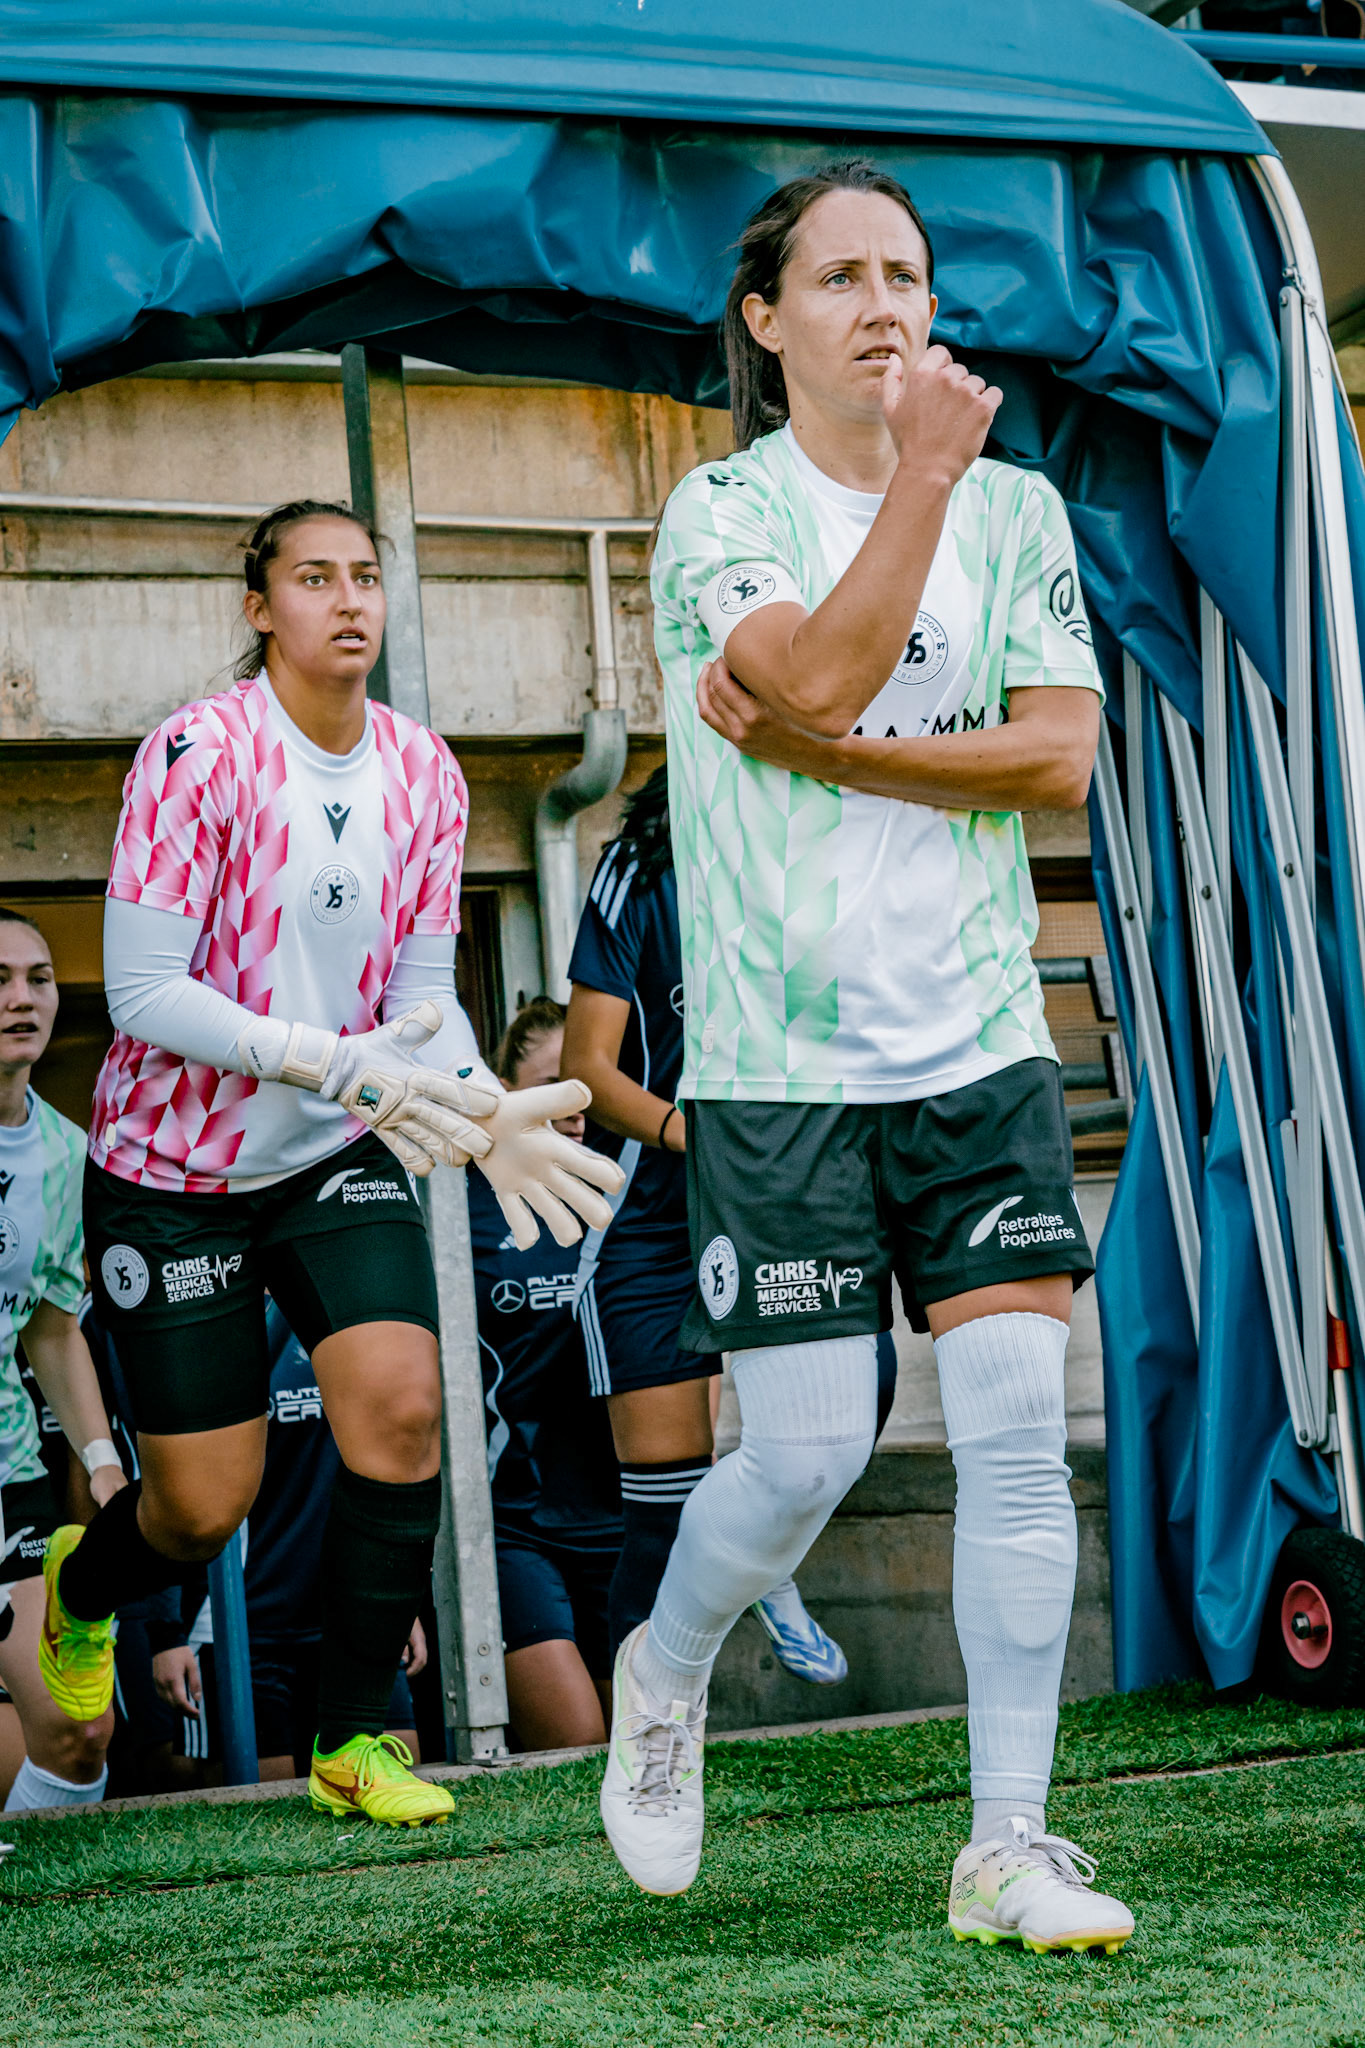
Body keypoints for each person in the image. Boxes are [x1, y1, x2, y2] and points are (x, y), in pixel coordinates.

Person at [599, 160, 1133, 1955]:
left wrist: (838, 758)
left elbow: (1057, 758)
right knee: (808, 1454)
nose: (886, 304)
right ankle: (662, 1674)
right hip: (781, 1063)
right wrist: (914, 487)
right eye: (840, 278)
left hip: (979, 1044)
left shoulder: (1019, 512)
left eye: (906, 272)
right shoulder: (717, 516)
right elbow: (813, 668)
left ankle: (1008, 1840)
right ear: (769, 322)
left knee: (1009, 1439)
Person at [39, 496, 622, 1830]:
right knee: (201, 1504)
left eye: (367, 576)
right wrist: (341, 1062)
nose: (350, 600)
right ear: (260, 607)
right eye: (315, 578)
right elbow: (141, 995)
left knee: (406, 1411)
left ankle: (351, 1740)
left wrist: (478, 1102)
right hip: (174, 1176)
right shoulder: (198, 754)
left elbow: (422, 1001)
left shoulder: (425, 770)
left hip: (329, 1154)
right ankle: (82, 1584)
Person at [564, 766, 885, 1683]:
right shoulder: (640, 865)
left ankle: (765, 1555)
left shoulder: (826, 850)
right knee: (660, 1513)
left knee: (857, 1408)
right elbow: (589, 1067)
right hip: (657, 1217)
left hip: (793, 1207)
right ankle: (642, 1748)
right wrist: (689, 1136)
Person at [146, 1298, 427, 1781]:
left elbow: (377, 1472)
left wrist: (393, 1597)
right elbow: (168, 1491)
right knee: (267, 1811)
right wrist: (167, 1632)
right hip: (239, 1627)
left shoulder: (342, 1304)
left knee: (398, 1777)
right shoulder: (208, 1320)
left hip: (350, 1613)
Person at [0, 906, 127, 1813]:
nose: (21, 999)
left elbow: (50, 1329)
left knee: (77, 1733)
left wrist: (104, 1466)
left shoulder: (63, 1151)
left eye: (39, 979)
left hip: (8, 1472)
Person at [472, 999, 624, 1750]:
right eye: (551, 1086)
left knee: (647, 1751)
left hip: (625, 1515)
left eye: (587, 1087)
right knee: (574, 1743)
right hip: (512, 1517)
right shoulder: (469, 1203)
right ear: (506, 1090)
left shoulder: (637, 1193)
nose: (574, 1110)